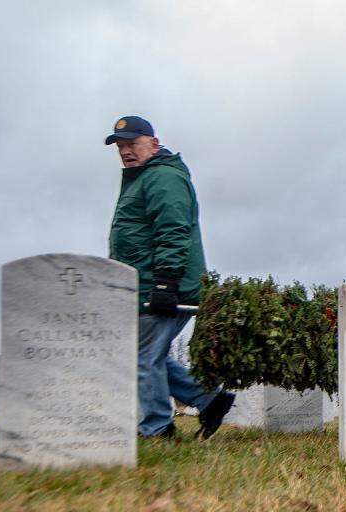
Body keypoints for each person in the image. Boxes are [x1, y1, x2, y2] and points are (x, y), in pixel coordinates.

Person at [105, 115, 234, 439]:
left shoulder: (162, 177)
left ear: (154, 143)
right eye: (121, 146)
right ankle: (209, 400)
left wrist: (165, 282)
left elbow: (173, 231)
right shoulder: (144, 178)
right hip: (148, 285)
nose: (126, 151)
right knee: (149, 354)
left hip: (163, 286)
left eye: (132, 143)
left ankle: (158, 428)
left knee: (143, 357)